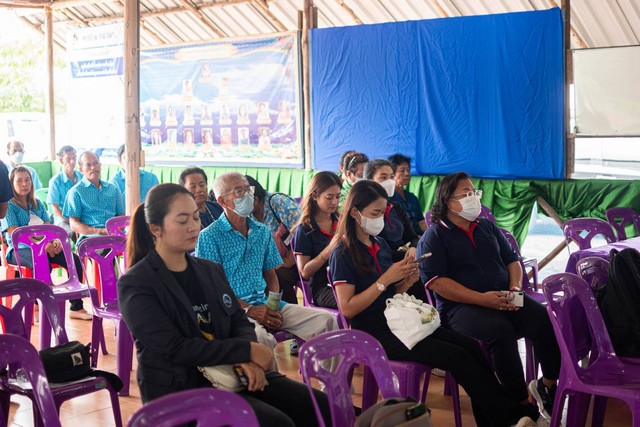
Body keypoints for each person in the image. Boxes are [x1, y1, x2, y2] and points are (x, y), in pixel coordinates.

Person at [330, 180, 545, 427]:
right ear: (355, 213)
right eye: (375, 213)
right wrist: (385, 279)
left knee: (470, 348)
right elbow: (348, 308)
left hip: (398, 320)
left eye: (382, 213)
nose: (380, 219)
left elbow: (389, 293)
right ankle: (513, 416)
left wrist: (407, 280)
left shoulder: (379, 245)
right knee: (457, 357)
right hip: (372, 332)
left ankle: (496, 418)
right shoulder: (343, 252)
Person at [118, 183, 331, 426]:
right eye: (182, 220)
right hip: (182, 387)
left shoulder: (208, 270)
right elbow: (175, 348)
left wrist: (246, 357)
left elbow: (237, 319)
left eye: (195, 217)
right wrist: (245, 351)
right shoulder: (137, 283)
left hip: (231, 371)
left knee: (320, 406)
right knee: (277, 423)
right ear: (155, 228)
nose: (193, 226)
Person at [417, 172, 560, 421]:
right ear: (448, 201)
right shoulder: (435, 236)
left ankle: (547, 385)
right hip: (460, 307)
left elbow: (512, 260)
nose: (474, 198)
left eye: (475, 192)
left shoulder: (485, 226)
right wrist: (482, 299)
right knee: (500, 331)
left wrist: (514, 287)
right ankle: (519, 402)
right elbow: (438, 283)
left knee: (542, 316)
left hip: (503, 295)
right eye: (467, 194)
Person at [195, 173, 338, 361]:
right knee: (260, 338)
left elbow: (271, 275)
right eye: (239, 191)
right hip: (233, 311)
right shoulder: (209, 237)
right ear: (222, 201)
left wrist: (271, 307)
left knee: (326, 321)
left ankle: (329, 378)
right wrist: (249, 310)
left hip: (265, 304)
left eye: (248, 189)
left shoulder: (261, 231)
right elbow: (212, 289)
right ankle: (269, 380)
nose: (248, 195)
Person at [2, 166, 89, 320]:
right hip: (19, 250)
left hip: (46, 247)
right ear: (11, 184)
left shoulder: (37, 204)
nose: (24, 184)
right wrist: (42, 245)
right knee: (41, 262)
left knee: (74, 259)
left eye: (27, 180)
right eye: (19, 181)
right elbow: (16, 233)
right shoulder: (9, 206)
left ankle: (76, 307)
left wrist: (54, 241)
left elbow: (48, 227)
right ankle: (37, 305)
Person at [245, 175, 300, 305]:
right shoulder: (247, 214)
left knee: (279, 275)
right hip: (274, 261)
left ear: (255, 199)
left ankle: (286, 310)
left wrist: (288, 261)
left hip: (299, 259)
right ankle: (264, 309)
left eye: (243, 200)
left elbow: (304, 232)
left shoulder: (278, 202)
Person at [292, 171, 341, 309]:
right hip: (324, 287)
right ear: (314, 196)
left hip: (347, 281)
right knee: (357, 302)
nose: (334, 202)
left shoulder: (342, 222)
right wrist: (330, 248)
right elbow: (305, 272)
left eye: (338, 196)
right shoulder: (305, 229)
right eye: (329, 197)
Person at [363, 159, 420, 261]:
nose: (389, 182)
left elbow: (413, 237)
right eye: (384, 177)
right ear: (368, 181)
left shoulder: (395, 207)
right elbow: (374, 249)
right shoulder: (364, 212)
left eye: (391, 177)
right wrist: (404, 255)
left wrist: (413, 248)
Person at [62, 151, 125, 241]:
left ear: (100, 166)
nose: (93, 167)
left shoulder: (113, 189)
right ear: (81, 170)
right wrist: (100, 231)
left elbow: (122, 216)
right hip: (90, 238)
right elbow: (74, 224)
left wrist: (115, 231)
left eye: (96, 163)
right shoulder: (75, 192)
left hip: (115, 235)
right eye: (88, 165)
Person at [47, 146, 82, 239]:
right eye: (68, 159)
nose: (72, 161)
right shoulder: (55, 181)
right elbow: (56, 210)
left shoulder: (82, 177)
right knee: (73, 233)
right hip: (63, 219)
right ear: (61, 160)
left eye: (74, 158)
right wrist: (72, 221)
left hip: (81, 217)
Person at [388, 154, 426, 235]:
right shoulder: (388, 199)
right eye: (402, 170)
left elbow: (421, 222)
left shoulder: (412, 197)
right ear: (392, 175)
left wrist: (429, 235)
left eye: (408, 170)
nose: (407, 174)